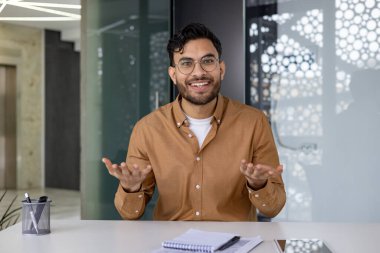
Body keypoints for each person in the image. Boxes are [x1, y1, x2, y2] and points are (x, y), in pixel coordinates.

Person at [102, 23, 286, 221]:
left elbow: (272, 209)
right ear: (173, 75)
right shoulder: (147, 129)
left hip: (235, 245)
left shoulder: (254, 122)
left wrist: (258, 185)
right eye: (186, 63)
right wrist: (131, 188)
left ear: (221, 69)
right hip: (170, 245)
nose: (198, 73)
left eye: (207, 61)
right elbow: (130, 213)